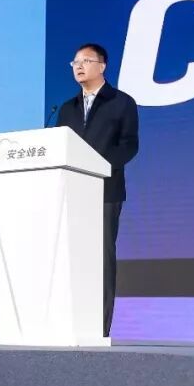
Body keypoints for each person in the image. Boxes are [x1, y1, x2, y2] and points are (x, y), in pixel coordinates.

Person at [53, 43, 139, 337]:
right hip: (70, 193)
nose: (79, 66)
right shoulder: (66, 109)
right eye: (75, 62)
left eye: (86, 61)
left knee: (100, 258)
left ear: (102, 66)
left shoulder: (121, 102)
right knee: (69, 257)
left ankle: (98, 329)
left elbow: (129, 145)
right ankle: (68, 323)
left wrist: (99, 166)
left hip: (105, 192)